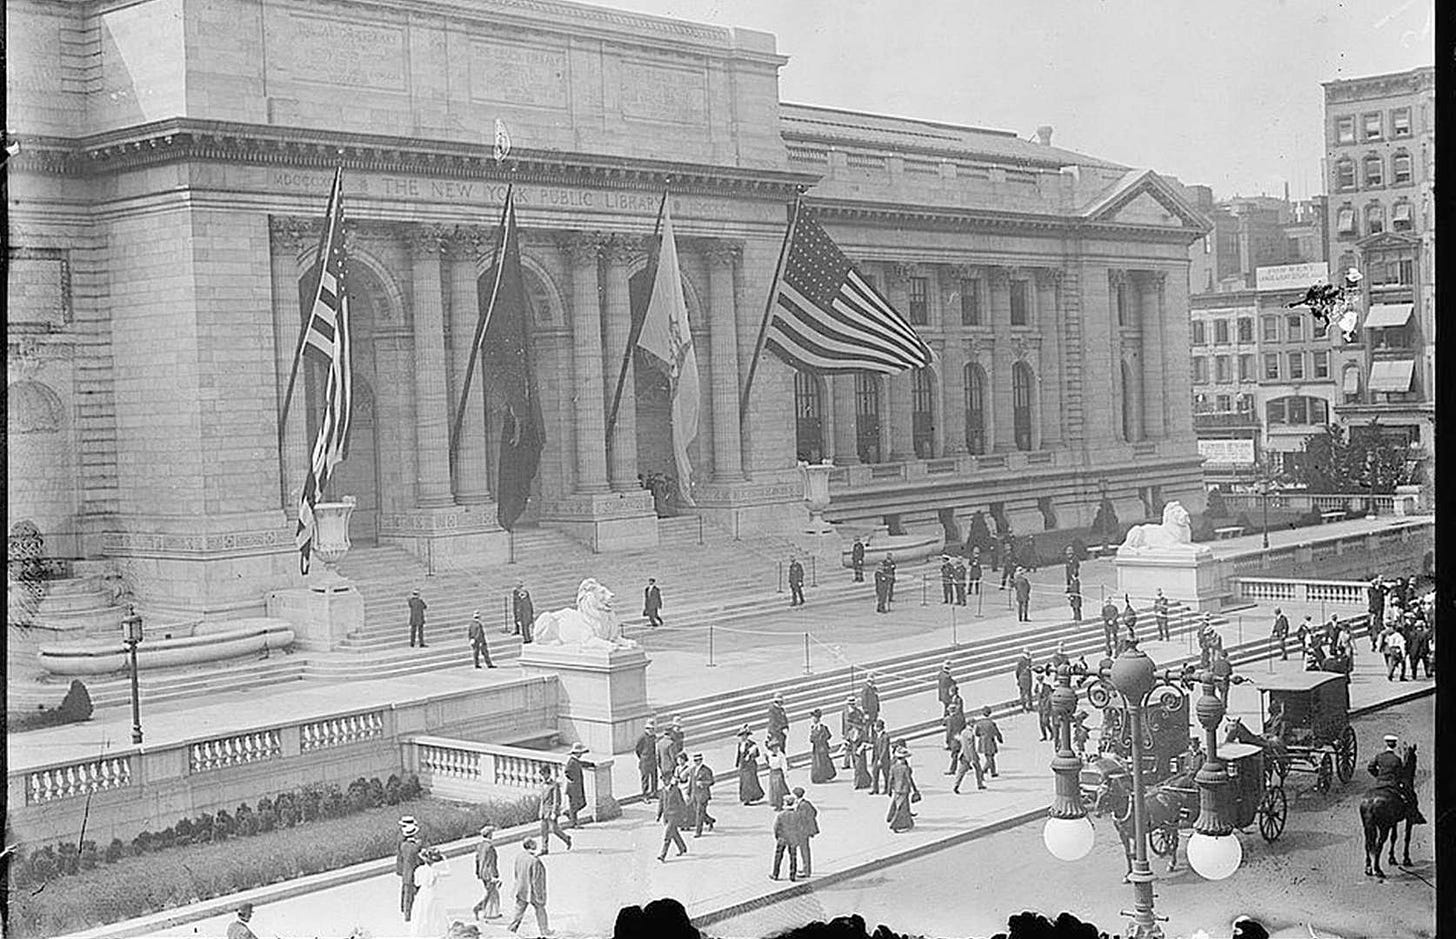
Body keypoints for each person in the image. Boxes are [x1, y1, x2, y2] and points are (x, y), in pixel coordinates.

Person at [1368, 734, 1426, 825]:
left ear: (1386, 744)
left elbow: (1370, 767)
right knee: (1410, 797)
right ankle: (1413, 815)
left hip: (1378, 784)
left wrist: (1379, 776)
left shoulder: (1379, 756)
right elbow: (1400, 774)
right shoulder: (1396, 759)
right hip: (1392, 785)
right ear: (1394, 745)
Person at [507, 839, 549, 936]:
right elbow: (537, 881)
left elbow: (516, 873)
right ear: (531, 845)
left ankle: (511, 929)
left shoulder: (520, 856)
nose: (536, 844)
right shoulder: (535, 861)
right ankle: (544, 930)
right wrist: (540, 896)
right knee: (540, 910)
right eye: (534, 843)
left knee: (518, 911)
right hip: (532, 891)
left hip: (520, 889)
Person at [409, 846, 451, 937]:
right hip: (432, 893)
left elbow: (416, 883)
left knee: (421, 913)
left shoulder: (418, 870)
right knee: (435, 913)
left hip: (422, 892)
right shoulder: (434, 871)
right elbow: (448, 872)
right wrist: (445, 860)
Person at [536, 765, 572, 853]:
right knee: (543, 830)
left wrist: (554, 812)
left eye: (544, 774)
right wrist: (540, 810)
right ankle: (544, 848)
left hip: (551, 810)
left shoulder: (554, 785)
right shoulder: (542, 785)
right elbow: (542, 800)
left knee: (554, 829)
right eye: (541, 775)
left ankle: (566, 839)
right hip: (544, 810)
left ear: (548, 774)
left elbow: (557, 800)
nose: (542, 777)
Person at [656, 770, 689, 862]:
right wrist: (658, 815)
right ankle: (682, 847)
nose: (664, 781)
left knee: (667, 836)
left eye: (666, 779)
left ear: (670, 780)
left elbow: (681, 803)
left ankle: (662, 855)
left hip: (674, 815)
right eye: (663, 780)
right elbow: (661, 803)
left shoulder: (676, 790)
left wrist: (684, 814)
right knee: (674, 833)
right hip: (666, 816)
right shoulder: (662, 791)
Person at [886, 746, 920, 832]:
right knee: (902, 807)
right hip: (904, 789)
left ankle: (908, 822)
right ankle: (896, 824)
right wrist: (915, 790)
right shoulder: (905, 768)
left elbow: (890, 779)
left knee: (900, 805)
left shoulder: (893, 767)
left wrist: (889, 789)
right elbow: (909, 780)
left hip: (896, 789)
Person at [397, 815, 423, 923]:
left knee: (405, 890)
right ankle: (409, 913)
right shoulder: (414, 846)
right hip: (412, 871)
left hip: (405, 869)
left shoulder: (403, 843)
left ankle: (404, 908)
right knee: (410, 892)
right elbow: (417, 857)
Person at [472, 826, 502, 921]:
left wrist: (478, 872)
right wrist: (494, 876)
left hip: (482, 873)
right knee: (491, 893)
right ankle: (479, 908)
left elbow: (477, 860)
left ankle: (491, 912)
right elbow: (491, 862)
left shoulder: (479, 846)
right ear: (489, 835)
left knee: (492, 892)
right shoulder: (490, 847)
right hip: (489, 874)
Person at [771, 794, 802, 881]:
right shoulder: (797, 815)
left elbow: (776, 828)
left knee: (778, 855)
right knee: (793, 856)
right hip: (793, 838)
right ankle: (792, 875)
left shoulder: (781, 815)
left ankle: (775, 874)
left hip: (783, 838)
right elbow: (800, 827)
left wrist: (778, 837)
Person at [687, 752, 716, 836]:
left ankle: (698, 831)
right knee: (697, 811)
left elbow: (711, 781)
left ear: (701, 760)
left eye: (698, 760)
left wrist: (703, 783)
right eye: (695, 761)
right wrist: (688, 793)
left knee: (699, 812)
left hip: (703, 795)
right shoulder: (692, 770)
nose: (696, 762)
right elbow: (691, 782)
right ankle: (709, 820)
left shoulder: (706, 770)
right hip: (694, 794)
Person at [735, 725, 766, 805]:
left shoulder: (752, 744)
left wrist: (752, 754)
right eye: (741, 736)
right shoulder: (740, 744)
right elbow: (738, 754)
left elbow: (757, 754)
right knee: (743, 782)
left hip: (750, 765)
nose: (743, 737)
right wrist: (737, 763)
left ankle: (748, 798)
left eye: (744, 735)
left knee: (749, 781)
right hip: (743, 765)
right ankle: (744, 797)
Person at [792, 787, 819, 877]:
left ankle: (806, 870)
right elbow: (814, 812)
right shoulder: (806, 803)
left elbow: (801, 818)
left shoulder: (802, 805)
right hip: (805, 830)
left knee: (804, 851)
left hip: (802, 831)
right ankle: (805, 868)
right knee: (804, 850)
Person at [952, 719, 983, 793]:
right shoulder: (970, 734)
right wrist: (973, 757)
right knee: (978, 769)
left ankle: (956, 785)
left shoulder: (963, 732)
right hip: (970, 755)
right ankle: (980, 784)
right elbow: (970, 746)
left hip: (964, 754)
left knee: (961, 771)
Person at [562, 743, 588, 828]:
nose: (581, 754)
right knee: (575, 805)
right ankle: (574, 823)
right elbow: (566, 772)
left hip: (577, 787)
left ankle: (569, 813)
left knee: (581, 803)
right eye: (580, 753)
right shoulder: (572, 762)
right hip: (573, 788)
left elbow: (581, 763)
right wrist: (572, 780)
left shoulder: (575, 761)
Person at [808, 708, 837, 783]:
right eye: (812, 718)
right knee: (817, 762)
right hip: (816, 747)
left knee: (823, 761)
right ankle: (817, 777)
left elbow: (828, 735)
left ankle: (824, 776)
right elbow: (811, 738)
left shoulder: (822, 727)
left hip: (822, 747)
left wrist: (822, 739)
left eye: (814, 718)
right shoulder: (813, 727)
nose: (813, 719)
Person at [974, 706, 1003, 777]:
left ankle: (992, 771)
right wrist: (1000, 738)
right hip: (990, 740)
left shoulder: (979, 723)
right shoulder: (992, 723)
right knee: (990, 757)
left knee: (989, 756)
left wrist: (981, 736)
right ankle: (984, 770)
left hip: (983, 741)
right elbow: (996, 732)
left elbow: (976, 733)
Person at [943, 689, 967, 773]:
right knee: (961, 751)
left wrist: (947, 740)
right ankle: (966, 764)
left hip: (953, 738)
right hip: (960, 736)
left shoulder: (950, 719)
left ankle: (952, 769)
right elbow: (964, 726)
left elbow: (949, 731)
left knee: (954, 754)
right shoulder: (961, 717)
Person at [636, 721, 660, 799]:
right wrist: (642, 757)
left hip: (652, 760)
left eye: (652, 729)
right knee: (645, 779)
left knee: (654, 777)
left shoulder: (653, 737)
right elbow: (638, 749)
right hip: (645, 761)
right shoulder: (642, 737)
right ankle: (645, 795)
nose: (651, 730)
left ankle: (654, 792)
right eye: (649, 729)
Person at [841, 695, 866, 770]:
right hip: (849, 732)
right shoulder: (845, 712)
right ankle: (846, 763)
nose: (852, 705)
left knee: (854, 748)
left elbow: (862, 720)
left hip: (855, 733)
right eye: (851, 704)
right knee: (848, 748)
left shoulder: (858, 711)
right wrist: (843, 733)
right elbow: (844, 723)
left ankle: (855, 763)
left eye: (853, 704)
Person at [869, 718, 893, 795]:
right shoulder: (876, 736)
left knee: (886, 774)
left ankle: (887, 789)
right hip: (876, 757)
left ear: (879, 727)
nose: (874, 728)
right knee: (875, 773)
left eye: (875, 727)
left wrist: (881, 759)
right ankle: (875, 789)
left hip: (884, 759)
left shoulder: (885, 736)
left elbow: (885, 749)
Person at [765, 738, 790, 809]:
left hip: (778, 772)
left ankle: (781, 803)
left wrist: (785, 773)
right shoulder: (769, 754)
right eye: (774, 747)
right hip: (772, 772)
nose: (776, 749)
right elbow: (769, 763)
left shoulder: (781, 755)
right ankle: (775, 803)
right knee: (773, 789)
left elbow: (784, 764)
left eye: (777, 747)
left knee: (779, 788)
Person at [851, 724, 874, 789]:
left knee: (860, 767)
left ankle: (857, 783)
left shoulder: (862, 733)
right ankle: (865, 782)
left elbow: (865, 742)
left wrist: (861, 748)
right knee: (857, 767)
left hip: (861, 753)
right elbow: (850, 741)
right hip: (854, 752)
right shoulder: (851, 732)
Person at [1367, 577, 1385, 652]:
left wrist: (1381, 585)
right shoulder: (1371, 590)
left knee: (1378, 626)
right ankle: (1373, 643)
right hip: (1374, 609)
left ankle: (1378, 644)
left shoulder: (1380, 589)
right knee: (1373, 627)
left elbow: (1387, 589)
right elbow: (1371, 598)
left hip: (1379, 609)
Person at [1035, 675, 1054, 742]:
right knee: (1041, 723)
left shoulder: (1047, 687)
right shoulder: (1037, 687)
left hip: (1046, 706)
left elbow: (1049, 696)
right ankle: (1044, 735)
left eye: (1041, 680)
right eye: (1038, 680)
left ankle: (1051, 732)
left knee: (1045, 721)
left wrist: (1048, 705)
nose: (1040, 681)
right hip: (1040, 706)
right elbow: (1037, 695)